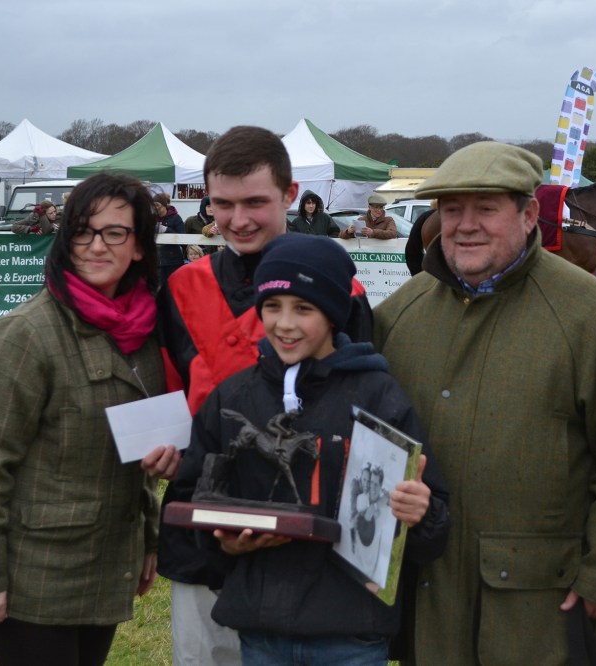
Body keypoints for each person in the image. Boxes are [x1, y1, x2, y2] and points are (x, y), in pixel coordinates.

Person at [374, 141, 596, 665]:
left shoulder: (591, 314)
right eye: (452, 209)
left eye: (486, 208)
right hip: (426, 605)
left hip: (540, 608)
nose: (465, 225)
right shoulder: (398, 314)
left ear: (529, 216)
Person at [172, 233, 449, 665]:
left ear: (335, 314)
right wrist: (222, 544)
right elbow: (194, 498)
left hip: (351, 634)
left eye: (304, 308)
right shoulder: (232, 399)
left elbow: (429, 524)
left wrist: (421, 511)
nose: (285, 324)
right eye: (272, 307)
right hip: (261, 629)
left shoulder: (377, 395)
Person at [157, 125, 374, 666]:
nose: (239, 219)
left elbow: (362, 408)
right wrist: (164, 449)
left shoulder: (341, 291)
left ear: (290, 195)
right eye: (223, 204)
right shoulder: (182, 288)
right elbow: (170, 395)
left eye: (256, 201)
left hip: (305, 534)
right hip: (206, 526)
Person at [0, 173, 182, 666]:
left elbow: (136, 444)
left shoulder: (143, 334)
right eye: (82, 230)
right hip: (35, 574)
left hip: (105, 567)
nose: (96, 245)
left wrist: (147, 537)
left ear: (140, 246)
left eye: (115, 232)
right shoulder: (26, 334)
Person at [153, 192, 187, 286]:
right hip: (156, 261)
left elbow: (183, 239)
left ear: (164, 205)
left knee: (174, 288)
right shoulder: (151, 218)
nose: (155, 208)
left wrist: (166, 230)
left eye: (157, 205)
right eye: (153, 205)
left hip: (173, 261)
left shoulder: (176, 218)